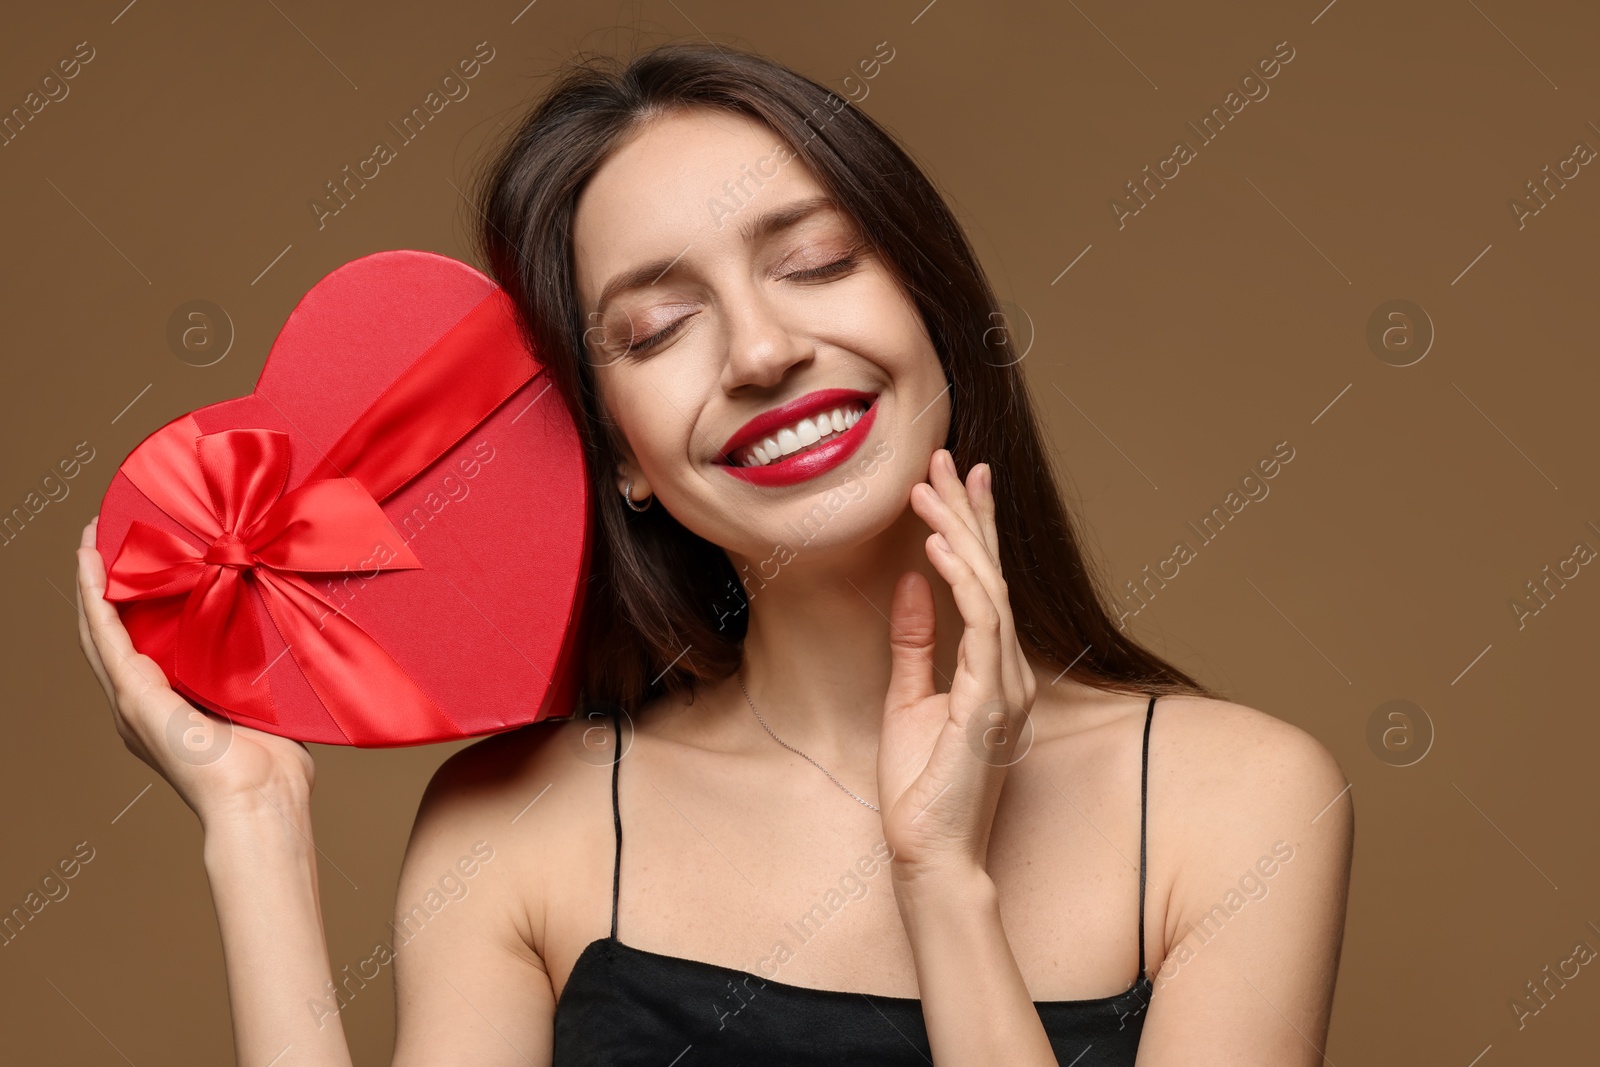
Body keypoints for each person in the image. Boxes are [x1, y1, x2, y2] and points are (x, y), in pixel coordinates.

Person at [74, 42, 1353, 1066]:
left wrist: (943, 883)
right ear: (620, 450)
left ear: (934, 312)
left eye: (813, 263)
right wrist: (253, 822)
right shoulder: (518, 825)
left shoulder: (1238, 804)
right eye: (656, 327)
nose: (757, 350)